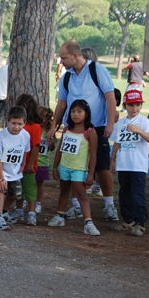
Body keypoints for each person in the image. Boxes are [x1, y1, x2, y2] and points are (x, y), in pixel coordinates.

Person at [48, 40, 119, 222]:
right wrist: (54, 126)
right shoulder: (67, 76)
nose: (61, 62)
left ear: (75, 55)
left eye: (63, 58)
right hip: (73, 129)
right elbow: (62, 103)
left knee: (102, 167)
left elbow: (110, 98)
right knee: (73, 165)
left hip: (97, 127)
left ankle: (110, 205)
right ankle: (76, 205)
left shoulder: (98, 70)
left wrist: (110, 124)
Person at [48, 99, 100, 236]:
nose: (75, 114)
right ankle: (60, 216)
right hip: (65, 167)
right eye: (73, 111)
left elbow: (93, 155)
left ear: (86, 113)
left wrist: (91, 174)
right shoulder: (67, 130)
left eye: (79, 111)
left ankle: (88, 223)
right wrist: (55, 167)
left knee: (81, 194)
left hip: (79, 169)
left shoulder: (90, 132)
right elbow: (60, 149)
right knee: (64, 192)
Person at [110, 91, 149, 236]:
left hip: (138, 165)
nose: (134, 108)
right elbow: (117, 142)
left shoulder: (144, 121)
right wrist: (112, 159)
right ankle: (127, 220)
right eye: (131, 105)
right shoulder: (122, 123)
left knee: (137, 194)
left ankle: (140, 223)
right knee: (124, 193)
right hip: (124, 164)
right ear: (125, 106)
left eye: (137, 105)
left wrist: (139, 131)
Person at [0, 106, 30, 231]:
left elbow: (25, 150)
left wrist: (23, 164)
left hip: (15, 168)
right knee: (1, 189)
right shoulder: (1, 136)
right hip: (1, 167)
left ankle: (4, 211)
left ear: (24, 123)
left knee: (16, 193)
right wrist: (1, 177)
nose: (16, 127)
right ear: (8, 121)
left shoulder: (25, 135)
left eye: (20, 124)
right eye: (13, 123)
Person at [11, 94, 42, 226]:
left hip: (29, 165)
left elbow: (36, 146)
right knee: (18, 188)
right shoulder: (18, 126)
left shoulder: (35, 127)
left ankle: (31, 212)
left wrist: (30, 163)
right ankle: (18, 210)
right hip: (16, 164)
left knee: (30, 188)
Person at [36, 106, 56, 214]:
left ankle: (38, 203)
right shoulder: (33, 129)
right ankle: (25, 200)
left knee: (39, 183)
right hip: (31, 161)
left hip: (42, 162)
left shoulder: (49, 132)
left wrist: (51, 140)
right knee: (27, 182)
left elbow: (52, 148)